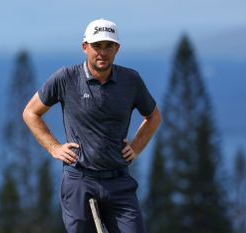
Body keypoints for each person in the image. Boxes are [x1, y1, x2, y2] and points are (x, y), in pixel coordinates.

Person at [22, 18, 161, 233]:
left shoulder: (130, 80)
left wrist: (136, 147)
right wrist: (53, 147)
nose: (102, 53)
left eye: (109, 46)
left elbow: (153, 116)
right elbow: (31, 112)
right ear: (85, 47)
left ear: (117, 49)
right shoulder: (66, 78)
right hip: (79, 180)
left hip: (119, 181)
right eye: (97, 46)